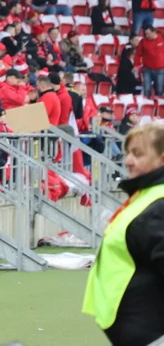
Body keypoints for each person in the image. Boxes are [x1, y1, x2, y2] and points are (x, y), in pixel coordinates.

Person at [83, 123, 164, 346]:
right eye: (128, 152)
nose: (128, 160)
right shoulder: (146, 196)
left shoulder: (158, 204)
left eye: (138, 154)